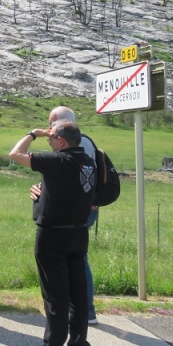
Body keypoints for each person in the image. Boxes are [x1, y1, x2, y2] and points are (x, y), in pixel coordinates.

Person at [10, 120, 95, 346]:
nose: (49, 141)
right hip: (79, 233)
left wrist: (32, 134)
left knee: (55, 294)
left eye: (51, 138)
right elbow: (65, 188)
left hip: (53, 235)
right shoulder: (87, 161)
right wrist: (42, 188)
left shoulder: (58, 160)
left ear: (61, 141)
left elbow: (15, 154)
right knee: (78, 295)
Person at [46, 106, 99, 325]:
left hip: (79, 210)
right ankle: (78, 309)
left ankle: (85, 311)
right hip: (81, 208)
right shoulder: (82, 142)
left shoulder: (80, 144)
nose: (49, 130)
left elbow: (78, 178)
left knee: (78, 260)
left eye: (51, 124)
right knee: (75, 259)